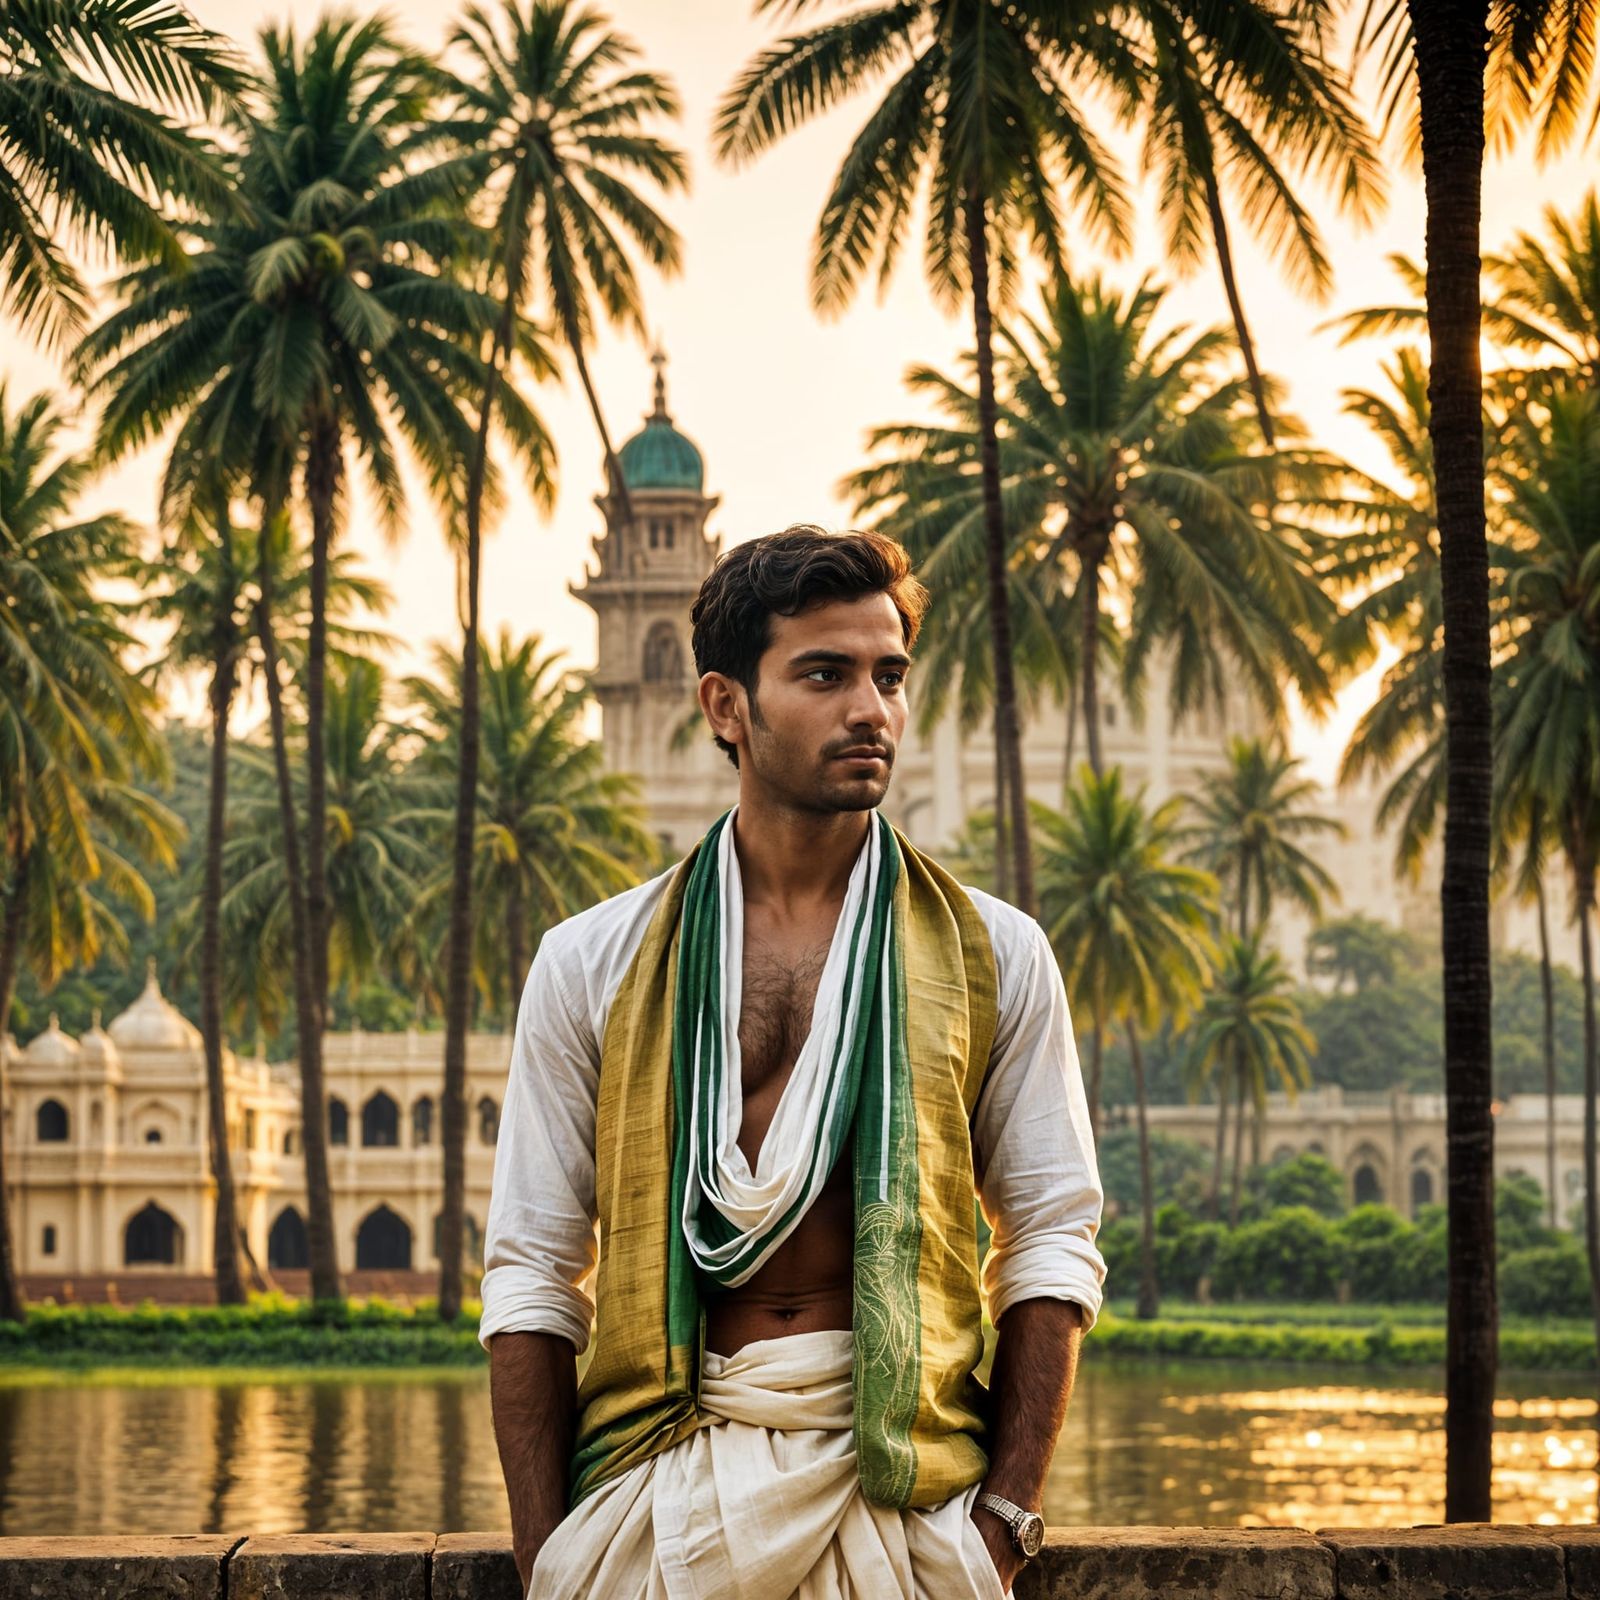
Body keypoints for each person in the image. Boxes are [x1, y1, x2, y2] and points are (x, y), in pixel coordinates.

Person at [479, 525, 1106, 1599]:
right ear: (726, 704)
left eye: (889, 674)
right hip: (652, 1493)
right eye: (824, 673)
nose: (871, 709)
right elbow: (533, 1271)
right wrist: (549, 1552)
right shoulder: (592, 961)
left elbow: (1050, 1235)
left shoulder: (994, 952)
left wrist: (1002, 1519)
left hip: (903, 1506)